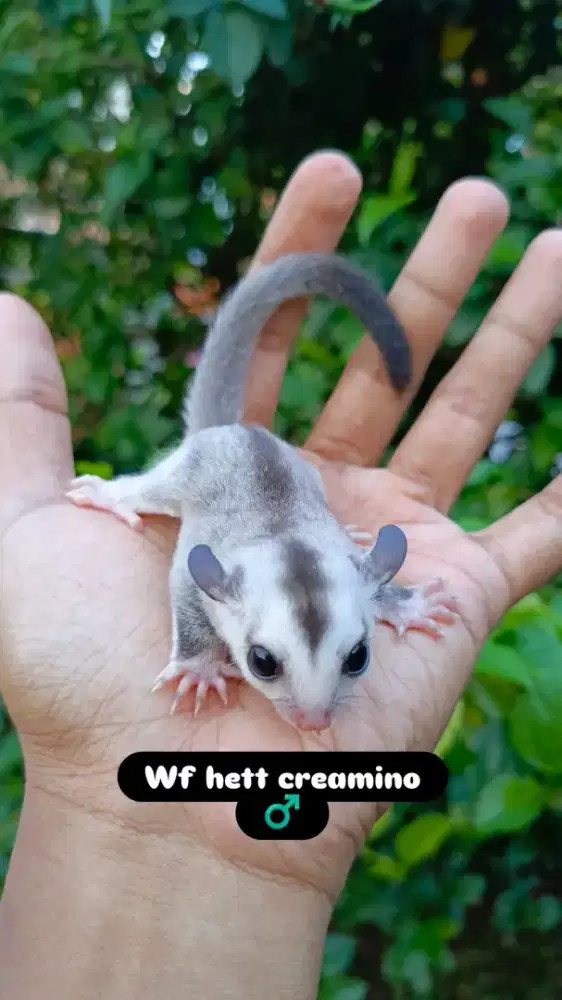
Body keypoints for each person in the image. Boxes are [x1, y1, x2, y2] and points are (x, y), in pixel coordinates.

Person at [0, 150, 560, 999]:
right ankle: (129, 489)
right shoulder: (218, 586)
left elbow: (366, 584)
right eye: (267, 664)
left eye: (352, 661)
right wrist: (196, 650)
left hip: (298, 505)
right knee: (166, 484)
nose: (312, 715)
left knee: (316, 561)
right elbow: (192, 582)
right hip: (221, 469)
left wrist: (401, 602)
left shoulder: (353, 578)